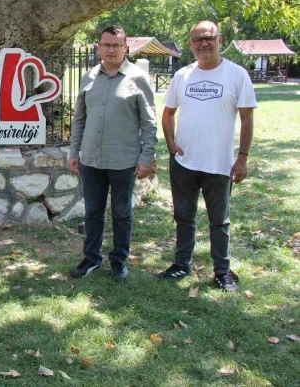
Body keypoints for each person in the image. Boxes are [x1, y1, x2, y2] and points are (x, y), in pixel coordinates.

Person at [157, 20, 256, 292]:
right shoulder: (182, 76)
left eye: (209, 38)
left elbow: (247, 120)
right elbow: (168, 114)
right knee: (183, 217)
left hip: (219, 163)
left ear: (219, 40)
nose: (204, 43)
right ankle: (181, 264)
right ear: (190, 44)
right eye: (198, 39)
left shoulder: (236, 75)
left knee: (219, 222)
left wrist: (242, 157)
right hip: (184, 163)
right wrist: (171, 144)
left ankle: (222, 272)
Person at [68, 25, 157, 281]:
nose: (111, 50)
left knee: (122, 213)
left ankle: (119, 260)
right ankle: (91, 258)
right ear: (98, 47)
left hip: (123, 160)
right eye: (106, 45)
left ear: (125, 47)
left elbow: (149, 123)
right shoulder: (89, 77)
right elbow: (79, 120)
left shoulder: (138, 78)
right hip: (91, 160)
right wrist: (74, 151)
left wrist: (146, 157)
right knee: (92, 212)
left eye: (116, 45)